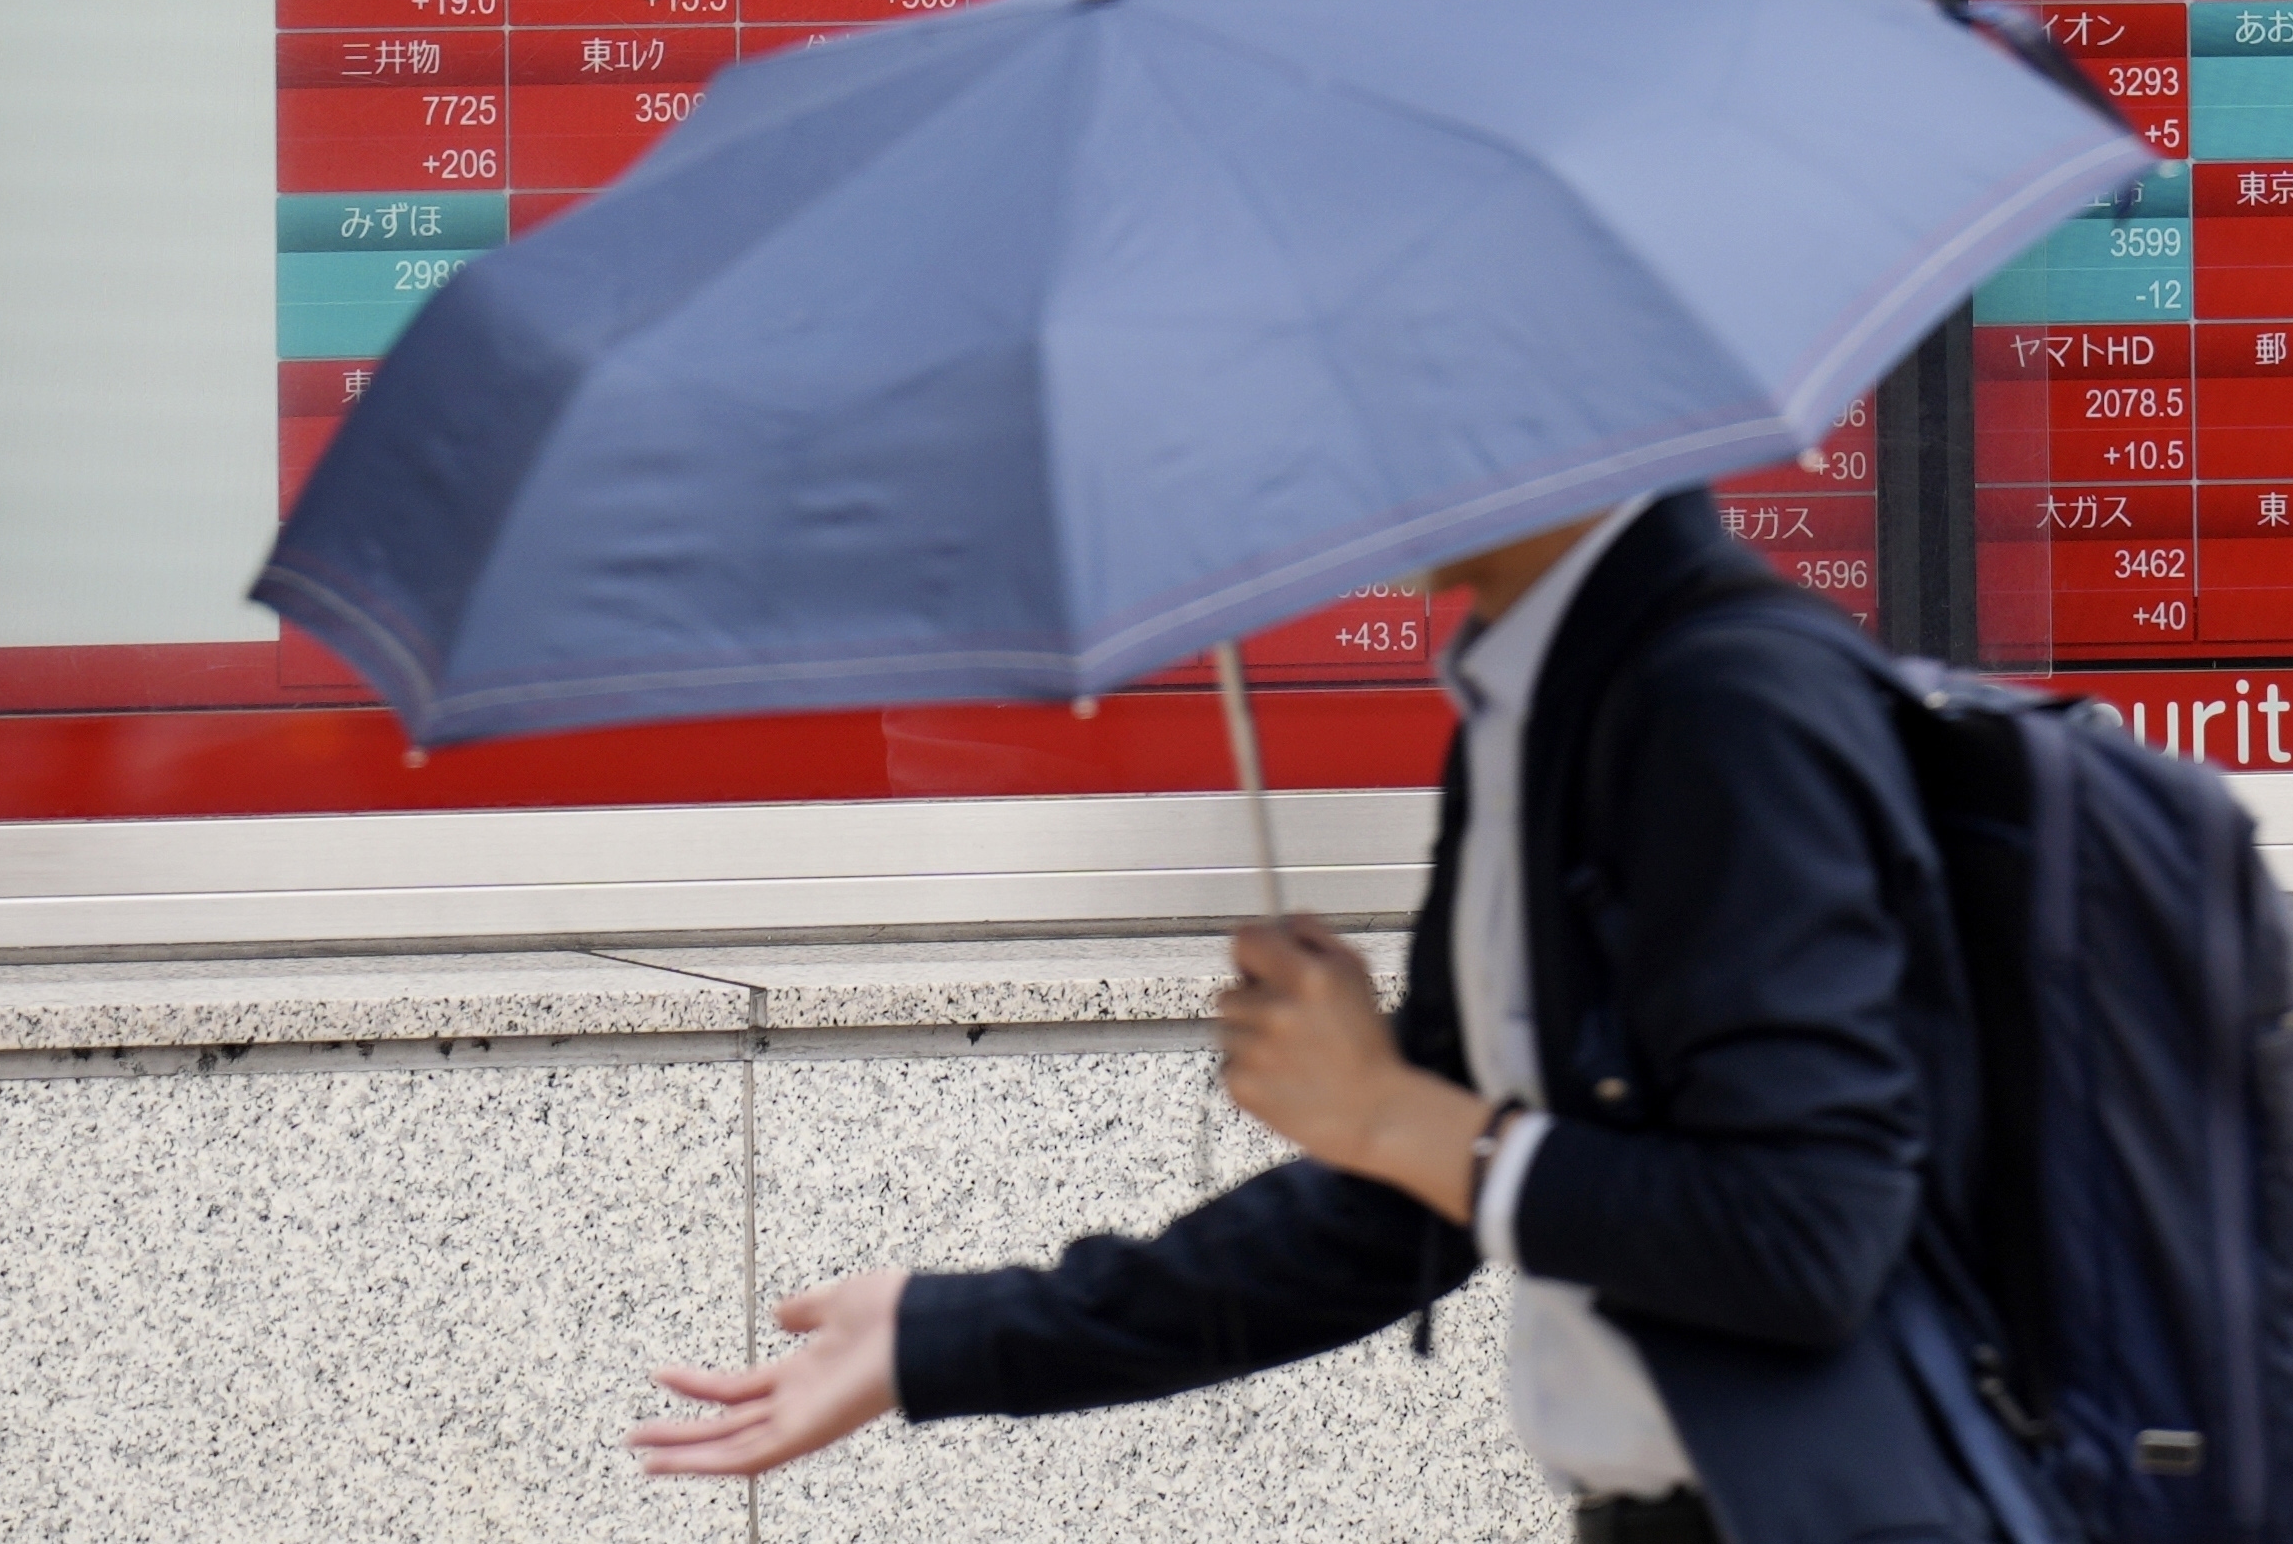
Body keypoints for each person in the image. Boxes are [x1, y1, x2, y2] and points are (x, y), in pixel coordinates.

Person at [628, 488, 2014, 1544]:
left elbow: (1805, 1237)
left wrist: (1399, 1112)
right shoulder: (1541, 705)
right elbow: (1401, 1209)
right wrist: (948, 1333)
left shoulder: (1725, 704)